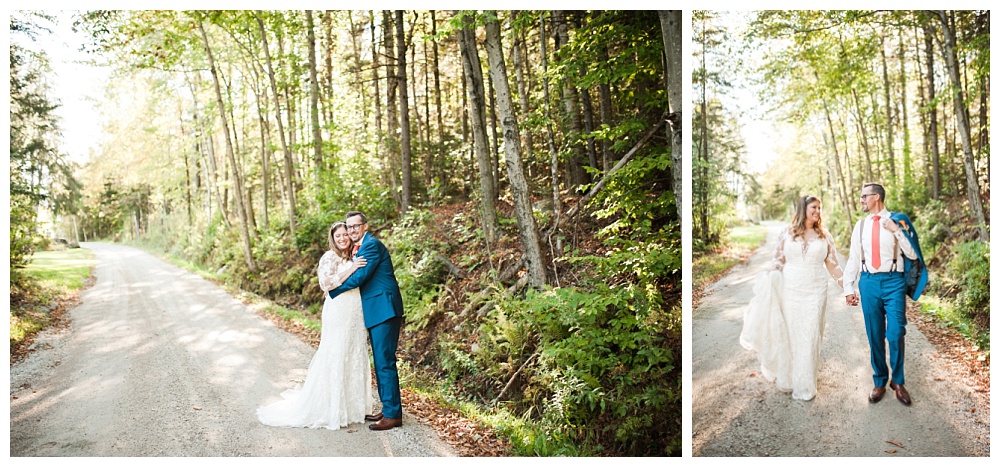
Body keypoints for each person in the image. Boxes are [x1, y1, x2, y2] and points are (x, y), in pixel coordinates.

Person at [257, 222, 373, 429]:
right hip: (338, 309)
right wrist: (353, 269)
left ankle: (353, 408)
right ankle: (331, 408)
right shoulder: (329, 257)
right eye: (338, 236)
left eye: (345, 234)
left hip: (356, 311)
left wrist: (355, 265)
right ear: (333, 238)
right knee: (336, 352)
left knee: (354, 353)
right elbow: (326, 284)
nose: (342, 238)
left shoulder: (356, 254)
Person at [741, 195, 844, 401]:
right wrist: (772, 276)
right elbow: (778, 260)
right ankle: (788, 378)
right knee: (792, 335)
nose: (818, 211)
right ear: (803, 209)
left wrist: (848, 288)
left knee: (810, 335)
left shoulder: (824, 236)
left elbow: (833, 265)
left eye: (820, 208)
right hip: (791, 290)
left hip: (816, 291)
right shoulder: (787, 233)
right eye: (814, 207)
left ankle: (805, 384)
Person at [327, 211, 405, 430]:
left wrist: (334, 291)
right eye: (349, 227)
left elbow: (361, 277)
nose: (352, 230)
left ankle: (393, 415)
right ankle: (389, 408)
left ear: (365, 226)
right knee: (381, 360)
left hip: (384, 308)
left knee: (384, 361)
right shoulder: (359, 247)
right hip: (376, 310)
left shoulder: (371, 245)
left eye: (355, 226)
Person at [842, 182, 918, 406]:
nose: (861, 200)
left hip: (894, 281)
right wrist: (848, 288)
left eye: (864, 196)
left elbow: (912, 253)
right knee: (874, 334)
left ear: (876, 197)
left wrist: (897, 231)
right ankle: (879, 380)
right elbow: (854, 258)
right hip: (869, 283)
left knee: (896, 333)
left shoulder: (898, 220)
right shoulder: (861, 225)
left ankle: (898, 381)